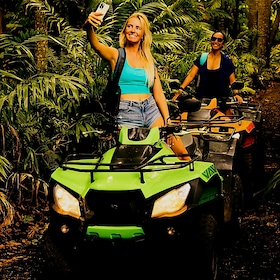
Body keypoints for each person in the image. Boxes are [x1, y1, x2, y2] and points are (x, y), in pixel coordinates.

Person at [85, 11, 189, 159]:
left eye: (138, 28)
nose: (133, 30)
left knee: (182, 154)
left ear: (143, 34)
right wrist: (90, 27)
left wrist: (167, 120)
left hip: (151, 110)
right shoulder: (117, 55)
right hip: (127, 111)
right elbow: (96, 45)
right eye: (130, 26)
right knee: (134, 160)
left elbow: (158, 93)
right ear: (125, 30)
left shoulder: (148, 60)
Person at [172, 31, 243, 114]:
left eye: (219, 40)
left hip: (221, 102)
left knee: (226, 123)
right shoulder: (202, 58)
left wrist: (236, 94)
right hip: (202, 101)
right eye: (213, 39)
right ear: (210, 41)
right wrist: (181, 89)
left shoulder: (226, 62)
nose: (216, 42)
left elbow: (232, 81)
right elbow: (191, 75)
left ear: (223, 43)